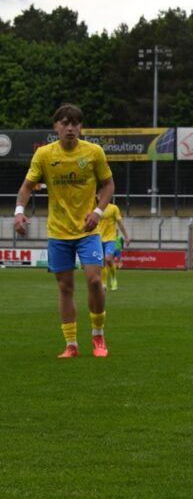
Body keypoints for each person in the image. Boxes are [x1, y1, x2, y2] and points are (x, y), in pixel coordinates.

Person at [13, 103, 114, 358]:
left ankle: (98, 334)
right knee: (65, 288)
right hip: (58, 231)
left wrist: (97, 212)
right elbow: (26, 187)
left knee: (94, 281)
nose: (70, 128)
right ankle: (71, 344)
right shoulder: (44, 155)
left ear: (81, 127)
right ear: (56, 126)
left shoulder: (94, 152)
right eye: (65, 123)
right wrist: (19, 212)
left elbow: (108, 185)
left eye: (75, 123)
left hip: (87, 230)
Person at [97, 198, 130, 291]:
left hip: (110, 239)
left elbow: (120, 224)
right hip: (99, 239)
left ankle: (113, 278)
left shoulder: (114, 208)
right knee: (103, 262)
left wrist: (126, 236)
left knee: (108, 259)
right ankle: (104, 283)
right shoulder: (96, 209)